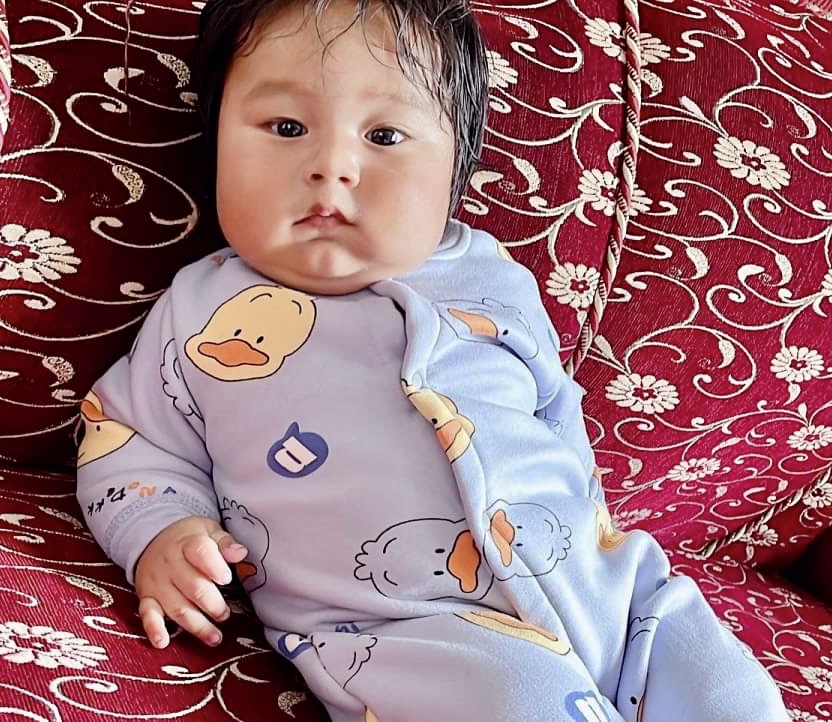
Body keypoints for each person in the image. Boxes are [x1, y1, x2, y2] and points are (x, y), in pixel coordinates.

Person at [76, 1, 789, 720]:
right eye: (286, 128)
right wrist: (162, 533)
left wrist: (594, 540)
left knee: (733, 693)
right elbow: (126, 438)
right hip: (399, 625)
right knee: (520, 703)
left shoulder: (496, 280)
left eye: (384, 135)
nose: (331, 167)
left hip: (603, 588)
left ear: (455, 167)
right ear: (216, 143)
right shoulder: (200, 311)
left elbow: (558, 415)